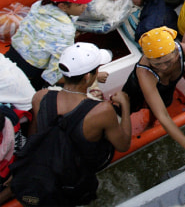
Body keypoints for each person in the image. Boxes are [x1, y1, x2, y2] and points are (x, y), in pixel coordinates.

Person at [29, 42, 131, 199]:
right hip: (85, 166)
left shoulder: (40, 97)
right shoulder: (102, 110)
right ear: (88, 76)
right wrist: (125, 105)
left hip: (49, 163)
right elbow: (123, 145)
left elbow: (34, 135)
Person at [121, 27, 185, 164]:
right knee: (126, 107)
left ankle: (150, 122)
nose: (163, 68)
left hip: (166, 88)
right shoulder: (144, 72)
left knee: (164, 103)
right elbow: (163, 115)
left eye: (167, 62)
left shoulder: (183, 51)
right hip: (136, 89)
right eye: (156, 64)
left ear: (175, 53)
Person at [5, 0, 108, 90]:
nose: (85, 6)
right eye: (79, 4)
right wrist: (94, 77)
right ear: (63, 6)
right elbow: (53, 76)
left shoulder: (39, 5)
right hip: (29, 73)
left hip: (11, 56)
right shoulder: (65, 30)